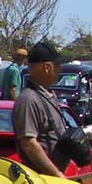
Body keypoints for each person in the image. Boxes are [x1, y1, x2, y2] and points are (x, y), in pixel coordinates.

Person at [12, 42, 71, 176]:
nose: (60, 70)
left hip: (53, 177)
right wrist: (57, 174)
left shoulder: (47, 96)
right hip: (42, 179)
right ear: (47, 67)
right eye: (58, 66)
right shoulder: (28, 99)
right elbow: (28, 143)